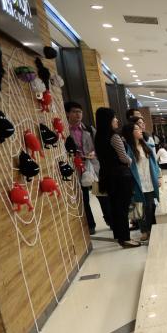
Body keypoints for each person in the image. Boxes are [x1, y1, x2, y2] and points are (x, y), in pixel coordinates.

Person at [94, 108, 140, 248]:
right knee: (123, 209)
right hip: (121, 177)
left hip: (107, 176)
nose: (116, 120)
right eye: (114, 118)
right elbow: (124, 158)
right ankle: (125, 238)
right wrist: (131, 161)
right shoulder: (114, 137)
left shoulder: (98, 137)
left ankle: (120, 236)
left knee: (115, 207)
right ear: (108, 120)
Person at [65, 101, 110, 233]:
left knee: (102, 194)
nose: (78, 114)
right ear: (67, 113)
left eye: (80, 112)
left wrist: (94, 153)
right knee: (83, 198)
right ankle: (90, 225)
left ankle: (110, 220)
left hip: (93, 166)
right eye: (74, 111)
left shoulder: (89, 129)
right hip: (76, 167)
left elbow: (100, 145)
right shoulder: (65, 131)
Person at [123, 119, 161, 243]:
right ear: (130, 133)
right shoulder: (127, 149)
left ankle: (151, 229)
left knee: (150, 206)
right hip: (137, 182)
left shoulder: (146, 146)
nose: (140, 130)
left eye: (140, 128)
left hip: (149, 181)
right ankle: (144, 231)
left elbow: (155, 164)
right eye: (136, 129)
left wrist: (158, 177)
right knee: (140, 207)